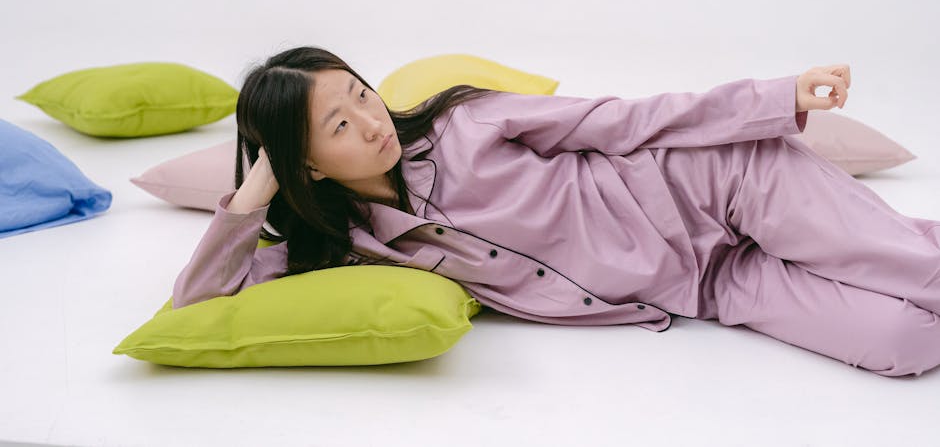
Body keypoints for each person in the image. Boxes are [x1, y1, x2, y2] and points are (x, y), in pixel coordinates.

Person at [172, 46, 940, 377]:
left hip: (721, 182)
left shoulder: (464, 123)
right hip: (708, 285)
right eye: (338, 124)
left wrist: (775, 97)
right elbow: (197, 301)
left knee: (920, 268)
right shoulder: (358, 249)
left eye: (361, 94)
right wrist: (256, 189)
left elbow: (627, 118)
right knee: (905, 340)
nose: (373, 122)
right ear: (307, 161)